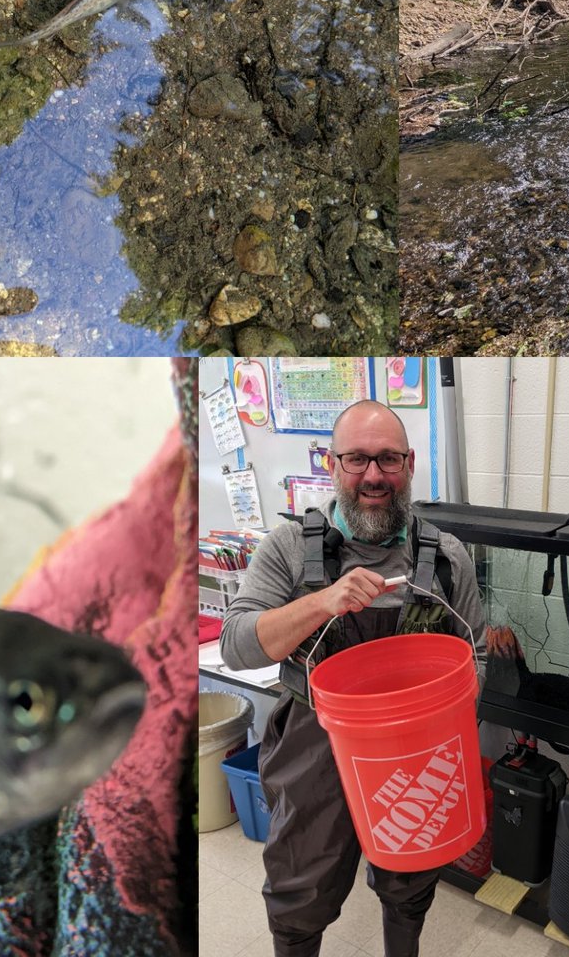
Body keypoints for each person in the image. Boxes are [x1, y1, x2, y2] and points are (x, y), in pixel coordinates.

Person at [220, 399, 485, 957]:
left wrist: (448, 714)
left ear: (409, 465)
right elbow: (236, 644)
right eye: (357, 460)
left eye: (388, 460)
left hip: (415, 751)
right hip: (314, 745)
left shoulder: (447, 559)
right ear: (332, 465)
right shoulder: (289, 549)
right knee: (302, 883)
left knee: (410, 878)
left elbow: (475, 652)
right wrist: (320, 602)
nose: (373, 476)